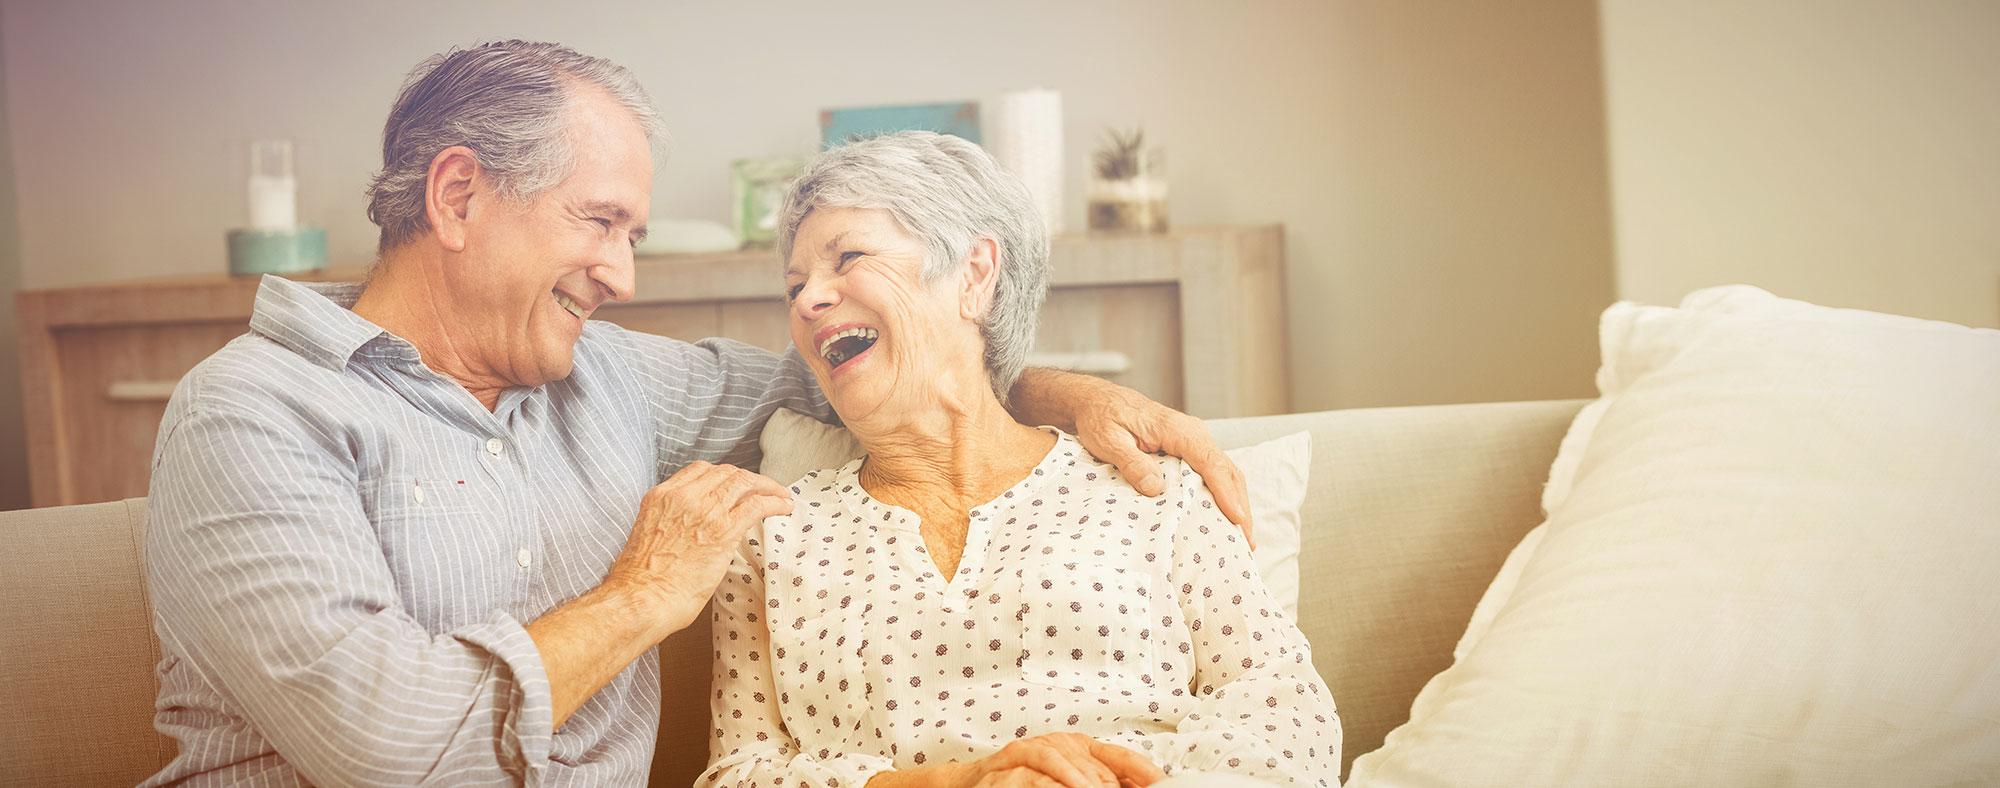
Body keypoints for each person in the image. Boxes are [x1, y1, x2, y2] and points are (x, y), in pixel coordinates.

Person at [141, 42, 1249, 786]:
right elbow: (382, 741)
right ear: (458, 196)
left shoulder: (606, 377)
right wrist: (638, 597)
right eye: (602, 222)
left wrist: (1060, 390)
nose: (622, 273)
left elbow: (872, 372)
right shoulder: (250, 413)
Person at [701, 132, 1338, 788]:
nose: (808, 301)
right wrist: (960, 783)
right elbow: (737, 775)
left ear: (974, 275)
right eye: (795, 285)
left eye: (848, 258)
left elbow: (1284, 717)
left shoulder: (1152, 489)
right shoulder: (771, 538)